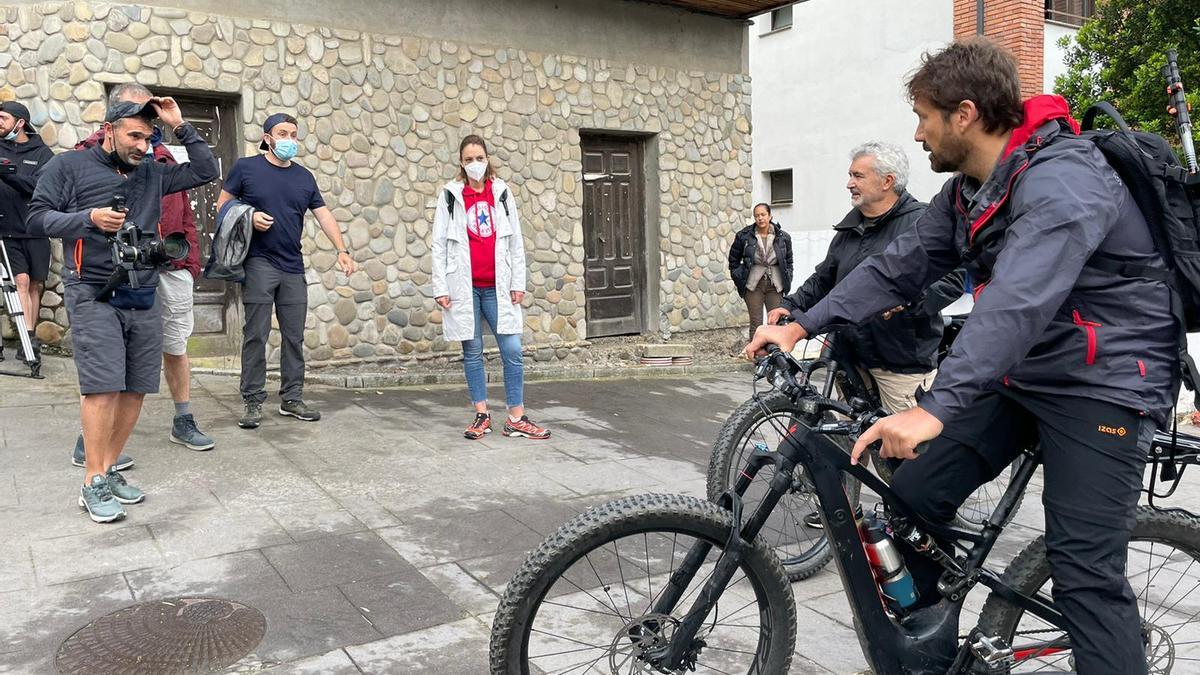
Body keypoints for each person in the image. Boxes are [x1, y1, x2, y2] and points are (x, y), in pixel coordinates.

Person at [747, 38, 1176, 674]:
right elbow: (897, 269)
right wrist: (803, 322)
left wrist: (935, 407)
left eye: (924, 116)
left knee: (1084, 572)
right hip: (1025, 371)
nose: (918, 134)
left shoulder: (1066, 179)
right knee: (912, 492)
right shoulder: (970, 191)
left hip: (1104, 382)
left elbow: (1018, 301)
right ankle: (931, 647)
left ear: (965, 113)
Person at [28, 96, 218, 523]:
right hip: (92, 289)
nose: (142, 145)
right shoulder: (68, 167)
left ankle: (107, 468)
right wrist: (88, 219)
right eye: (134, 135)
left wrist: (180, 125)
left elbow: (206, 171)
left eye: (149, 137)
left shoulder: (152, 171)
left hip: (142, 286)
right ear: (108, 128)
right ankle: (91, 481)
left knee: (136, 386)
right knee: (103, 387)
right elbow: (36, 220)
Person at [70, 83, 215, 467]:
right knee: (108, 366)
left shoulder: (159, 153)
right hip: (111, 275)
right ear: (113, 119)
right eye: (136, 117)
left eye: (150, 119)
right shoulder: (85, 156)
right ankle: (94, 448)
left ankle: (182, 418)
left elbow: (199, 182)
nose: (145, 129)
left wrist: (190, 258)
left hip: (168, 265)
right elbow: (56, 214)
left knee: (170, 351)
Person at [771, 141, 964, 417]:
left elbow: (953, 279)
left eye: (858, 176)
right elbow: (824, 279)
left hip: (900, 363)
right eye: (850, 175)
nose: (849, 183)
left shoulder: (921, 223)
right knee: (851, 442)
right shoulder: (850, 227)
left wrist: (909, 301)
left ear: (887, 181)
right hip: (851, 358)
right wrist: (789, 305)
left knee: (906, 453)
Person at [216, 112, 355, 429]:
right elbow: (222, 205)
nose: (289, 139)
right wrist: (248, 216)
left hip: (292, 266)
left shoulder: (304, 177)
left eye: (294, 134)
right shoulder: (246, 168)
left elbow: (323, 215)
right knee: (256, 335)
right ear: (267, 137)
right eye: (282, 133)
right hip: (259, 263)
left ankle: (291, 398)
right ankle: (252, 400)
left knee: (293, 337)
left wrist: (342, 250)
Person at [432, 134, 550, 441]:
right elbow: (439, 244)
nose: (475, 164)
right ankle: (482, 415)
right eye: (468, 159)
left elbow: (516, 242)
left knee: (512, 350)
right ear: (461, 162)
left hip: (498, 285)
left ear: (488, 159)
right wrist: (440, 287)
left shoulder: (500, 193)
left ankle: (516, 417)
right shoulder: (450, 195)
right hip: (465, 286)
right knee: (472, 351)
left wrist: (518, 282)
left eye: (479, 158)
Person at [0, 101, 55, 357]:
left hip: (36, 228)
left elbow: (40, 188)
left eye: (2, 117)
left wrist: (8, 175)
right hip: (7, 229)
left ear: (20, 122)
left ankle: (29, 337)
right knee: (20, 281)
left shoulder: (42, 153)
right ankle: (24, 337)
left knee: (34, 284)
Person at [728, 203, 793, 342]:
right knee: (756, 324)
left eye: (763, 214)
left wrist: (788, 277)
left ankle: (777, 357)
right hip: (753, 285)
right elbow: (733, 260)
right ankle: (757, 358)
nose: (760, 218)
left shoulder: (783, 237)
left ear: (770, 216)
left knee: (776, 323)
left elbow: (789, 261)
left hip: (775, 285)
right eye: (757, 215)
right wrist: (738, 277)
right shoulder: (744, 236)